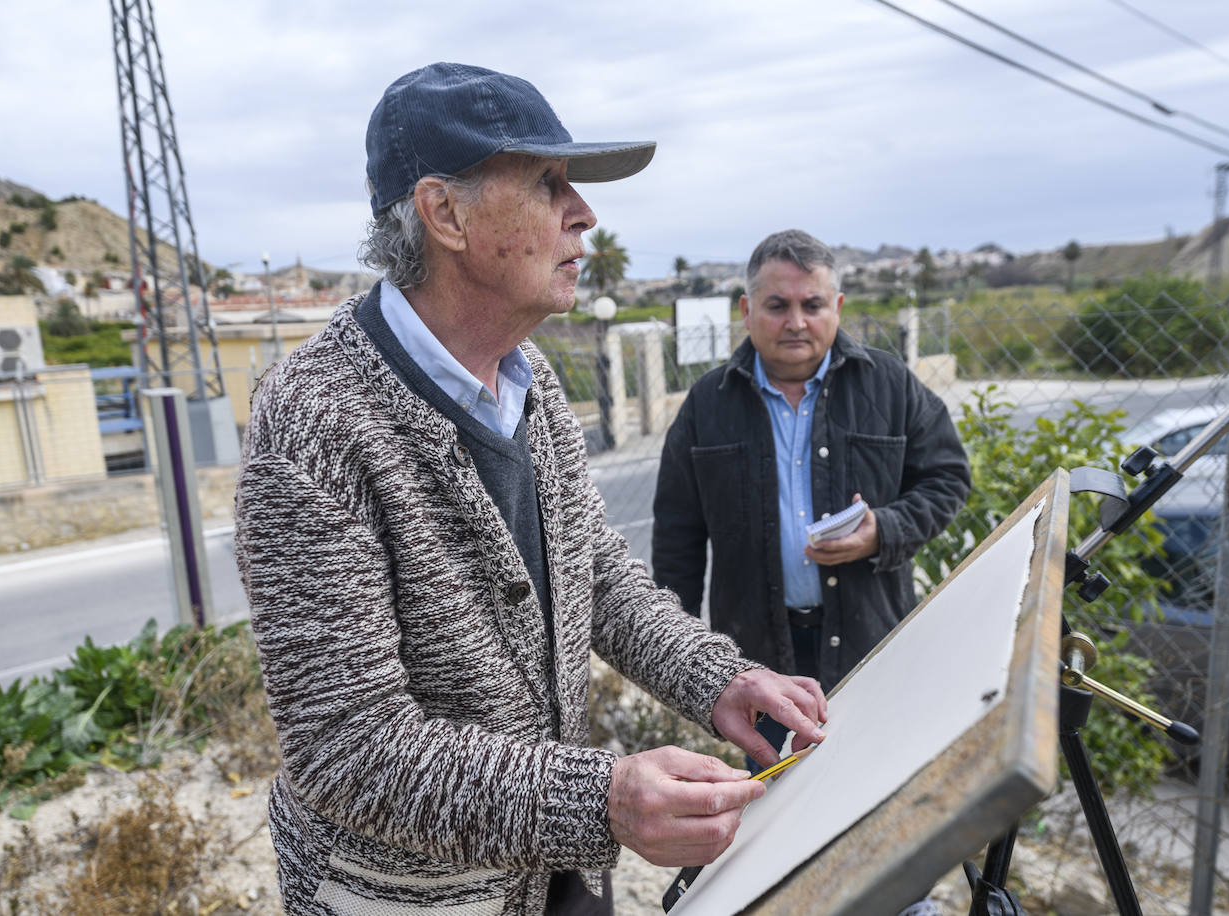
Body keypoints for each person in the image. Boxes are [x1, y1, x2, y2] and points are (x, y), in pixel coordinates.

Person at [234, 63, 827, 916]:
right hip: (407, 896)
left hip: (545, 870)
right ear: (444, 214)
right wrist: (605, 801)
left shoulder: (529, 379)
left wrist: (717, 681)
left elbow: (595, 572)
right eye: (550, 184)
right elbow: (347, 748)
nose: (584, 213)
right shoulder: (314, 424)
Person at [652, 228, 970, 755]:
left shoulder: (889, 385)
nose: (796, 322)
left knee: (876, 798)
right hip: (755, 663)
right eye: (777, 305)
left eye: (812, 304)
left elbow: (948, 478)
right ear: (746, 310)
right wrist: (684, 664)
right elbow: (676, 542)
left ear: (838, 306)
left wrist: (882, 532)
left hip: (872, 646)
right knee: (781, 807)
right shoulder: (707, 405)